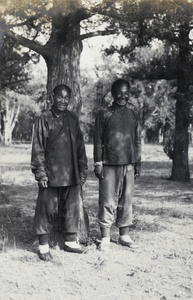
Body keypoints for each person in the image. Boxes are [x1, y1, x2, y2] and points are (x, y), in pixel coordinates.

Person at [31, 84, 88, 261]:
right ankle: (43, 245)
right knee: (46, 209)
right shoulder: (44, 118)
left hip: (71, 173)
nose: (63, 100)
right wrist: (41, 173)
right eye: (59, 97)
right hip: (50, 174)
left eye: (66, 98)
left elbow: (80, 147)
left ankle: (71, 241)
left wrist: (82, 169)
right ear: (52, 97)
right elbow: (38, 148)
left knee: (71, 208)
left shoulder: (72, 118)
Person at [93, 78, 141, 251]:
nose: (123, 96)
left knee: (126, 199)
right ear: (112, 94)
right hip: (108, 162)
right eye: (119, 92)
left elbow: (136, 140)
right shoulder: (104, 114)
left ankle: (124, 235)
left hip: (128, 163)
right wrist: (98, 162)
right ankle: (105, 237)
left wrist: (137, 161)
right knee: (107, 199)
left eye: (126, 93)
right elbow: (98, 139)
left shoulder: (133, 114)